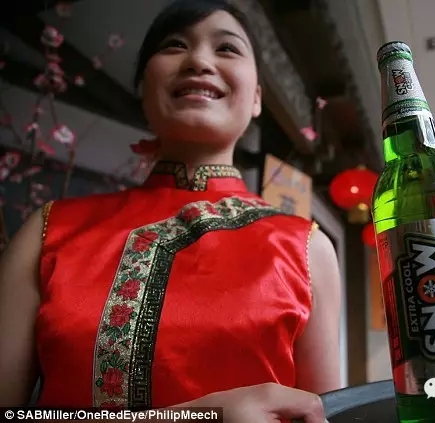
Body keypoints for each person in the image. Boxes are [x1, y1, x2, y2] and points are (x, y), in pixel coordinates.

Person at [0, 0, 342, 419]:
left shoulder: (307, 248)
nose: (199, 60)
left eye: (227, 48)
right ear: (143, 87)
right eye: (174, 45)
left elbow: (325, 415)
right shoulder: (50, 230)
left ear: (256, 98)